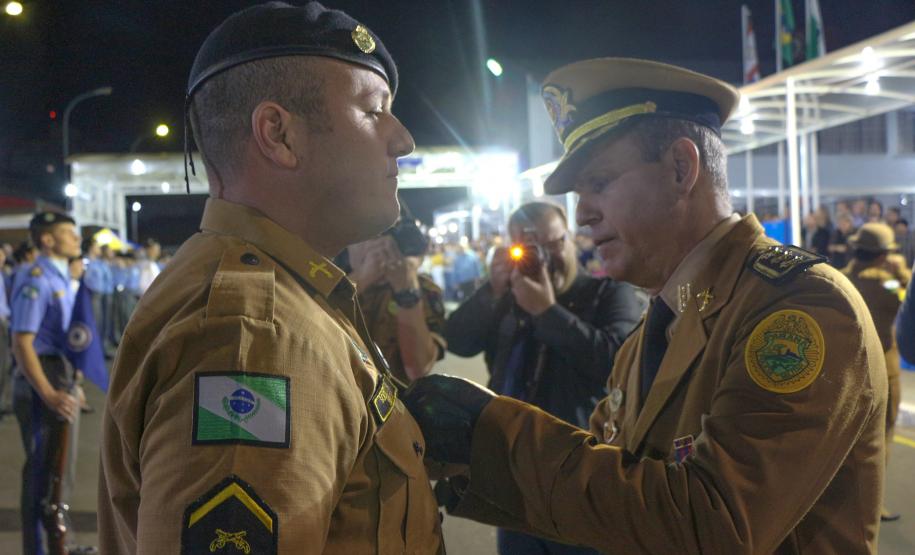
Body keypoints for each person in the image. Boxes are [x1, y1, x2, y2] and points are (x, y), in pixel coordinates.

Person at [404, 58, 888, 554]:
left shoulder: (798, 308)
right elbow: (613, 500)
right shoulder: (649, 336)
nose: (583, 214)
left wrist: (493, 439)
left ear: (682, 168)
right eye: (578, 192)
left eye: (600, 182)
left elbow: (715, 525)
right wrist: (475, 460)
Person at [97, 3, 443, 554]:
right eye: (375, 111)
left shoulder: (286, 293)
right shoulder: (252, 335)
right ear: (278, 134)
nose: (403, 139)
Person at [445, 201, 645, 555]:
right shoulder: (506, 296)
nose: (545, 257)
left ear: (570, 239)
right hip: (515, 478)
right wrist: (491, 290)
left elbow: (617, 364)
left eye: (552, 244)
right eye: (530, 247)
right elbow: (457, 341)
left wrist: (547, 312)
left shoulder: (608, 294)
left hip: (582, 475)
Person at [11, 212, 95, 555]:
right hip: (40, 381)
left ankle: (60, 541)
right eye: (68, 233)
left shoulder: (60, 277)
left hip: (59, 374)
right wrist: (47, 392)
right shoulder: (37, 279)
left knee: (61, 473)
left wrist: (74, 380)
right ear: (47, 239)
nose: (76, 239)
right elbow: (22, 342)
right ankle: (40, 549)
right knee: (42, 473)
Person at [842, 222, 909, 523]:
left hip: (848, 368)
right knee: (882, 437)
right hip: (883, 368)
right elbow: (908, 302)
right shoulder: (887, 282)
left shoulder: (841, 278)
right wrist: (901, 272)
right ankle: (872, 503)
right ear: (883, 255)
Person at [346, 231, 446, 383]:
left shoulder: (424, 290)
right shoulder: (330, 281)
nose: (376, 246)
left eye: (381, 235)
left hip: (395, 402)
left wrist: (406, 289)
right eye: (365, 236)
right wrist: (360, 280)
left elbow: (418, 369)